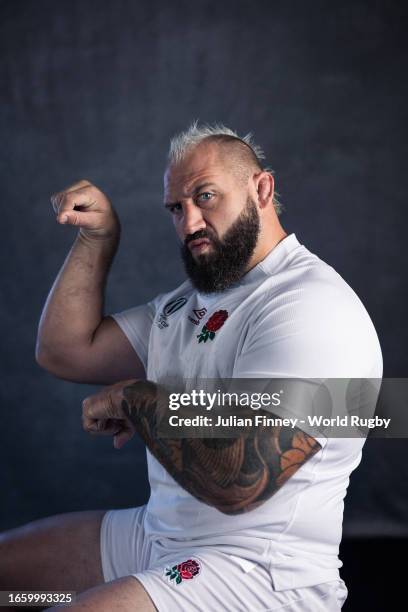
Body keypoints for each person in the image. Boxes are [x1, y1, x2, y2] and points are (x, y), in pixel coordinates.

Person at [0, 123, 382, 611]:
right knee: (11, 586)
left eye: (206, 197)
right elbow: (65, 349)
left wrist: (137, 401)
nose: (191, 222)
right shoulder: (189, 304)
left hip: (256, 571)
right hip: (161, 535)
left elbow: (243, 479)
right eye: (177, 208)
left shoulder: (310, 306)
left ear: (261, 189)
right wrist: (98, 240)